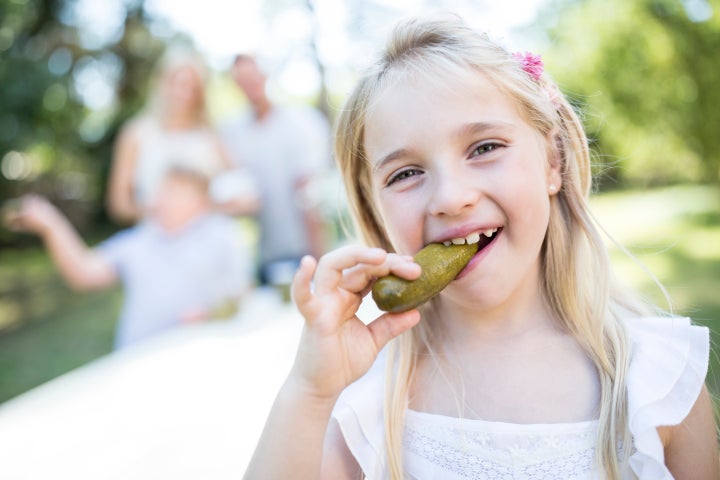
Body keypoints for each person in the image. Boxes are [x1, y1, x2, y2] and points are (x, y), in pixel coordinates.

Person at [243, 15, 718, 479]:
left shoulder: (655, 378)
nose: (451, 197)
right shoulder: (366, 401)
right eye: (405, 174)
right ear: (375, 212)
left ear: (552, 162)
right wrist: (309, 393)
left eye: (484, 147)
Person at [4, 164, 254, 349]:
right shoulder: (139, 240)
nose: (162, 199)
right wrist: (51, 225)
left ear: (200, 202)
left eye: (175, 191)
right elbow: (84, 273)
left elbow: (243, 291)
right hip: (135, 360)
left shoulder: (222, 235)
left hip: (201, 355)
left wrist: (209, 313)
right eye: (163, 189)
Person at [220, 54, 332, 287]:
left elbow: (310, 196)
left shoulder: (302, 123)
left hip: (306, 250)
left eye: (253, 77)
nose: (249, 86)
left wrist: (320, 260)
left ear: (265, 75)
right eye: (242, 81)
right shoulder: (233, 135)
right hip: (266, 255)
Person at [107, 47, 254, 225]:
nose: (184, 94)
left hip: (205, 236)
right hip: (156, 238)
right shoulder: (136, 134)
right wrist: (159, 211)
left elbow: (244, 194)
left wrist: (208, 207)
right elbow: (119, 204)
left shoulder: (210, 138)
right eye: (178, 83)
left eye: (192, 88)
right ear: (162, 83)